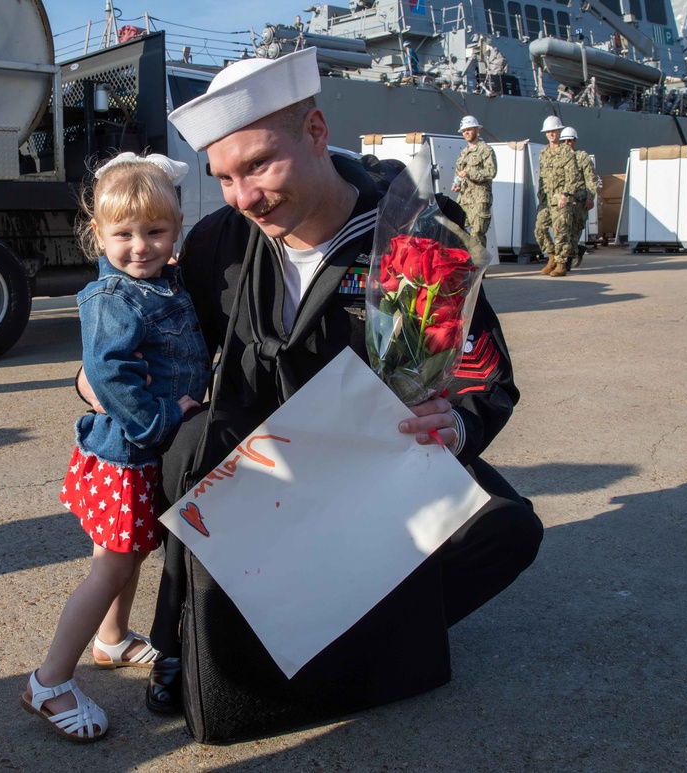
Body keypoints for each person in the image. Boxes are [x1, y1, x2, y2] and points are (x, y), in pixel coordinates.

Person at [78, 48, 543, 715]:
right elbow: (163, 344)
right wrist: (90, 376)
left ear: (317, 133)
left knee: (503, 529)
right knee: (184, 441)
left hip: (373, 475)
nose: (244, 197)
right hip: (261, 478)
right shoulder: (219, 244)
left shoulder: (414, 238)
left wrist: (460, 423)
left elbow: (479, 371)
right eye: (225, 176)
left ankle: (361, 622)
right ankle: (185, 630)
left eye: (260, 164)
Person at [21, 153, 211, 742]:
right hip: (128, 454)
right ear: (96, 234)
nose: (139, 246)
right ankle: (48, 681)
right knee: (112, 564)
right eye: (123, 234)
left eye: (154, 231)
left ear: (176, 227)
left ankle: (111, 640)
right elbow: (108, 376)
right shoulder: (115, 297)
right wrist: (161, 420)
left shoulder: (162, 283)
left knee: (126, 553)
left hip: (138, 454)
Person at [534, 115, 584, 277]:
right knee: (540, 229)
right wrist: (540, 197)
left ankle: (561, 264)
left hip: (561, 199)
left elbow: (573, 176)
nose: (550, 134)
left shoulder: (566, 152)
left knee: (561, 231)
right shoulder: (543, 153)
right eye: (548, 132)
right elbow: (542, 177)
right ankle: (552, 257)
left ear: (559, 131)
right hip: (546, 200)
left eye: (553, 131)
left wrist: (565, 195)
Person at [451, 115, 497, 247]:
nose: (466, 133)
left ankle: (479, 265)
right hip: (464, 199)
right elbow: (458, 172)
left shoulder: (486, 150)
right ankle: (466, 262)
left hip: (479, 199)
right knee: (458, 230)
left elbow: (491, 172)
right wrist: (456, 184)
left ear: (477, 130)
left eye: (469, 130)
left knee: (477, 233)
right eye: (464, 131)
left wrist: (470, 174)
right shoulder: (463, 153)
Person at [560, 126, 598, 267]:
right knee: (563, 230)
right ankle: (569, 256)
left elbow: (590, 179)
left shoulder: (582, 158)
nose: (567, 144)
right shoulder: (559, 159)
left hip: (579, 201)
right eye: (564, 141)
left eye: (569, 141)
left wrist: (590, 197)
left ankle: (570, 257)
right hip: (564, 200)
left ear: (575, 141)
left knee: (574, 231)